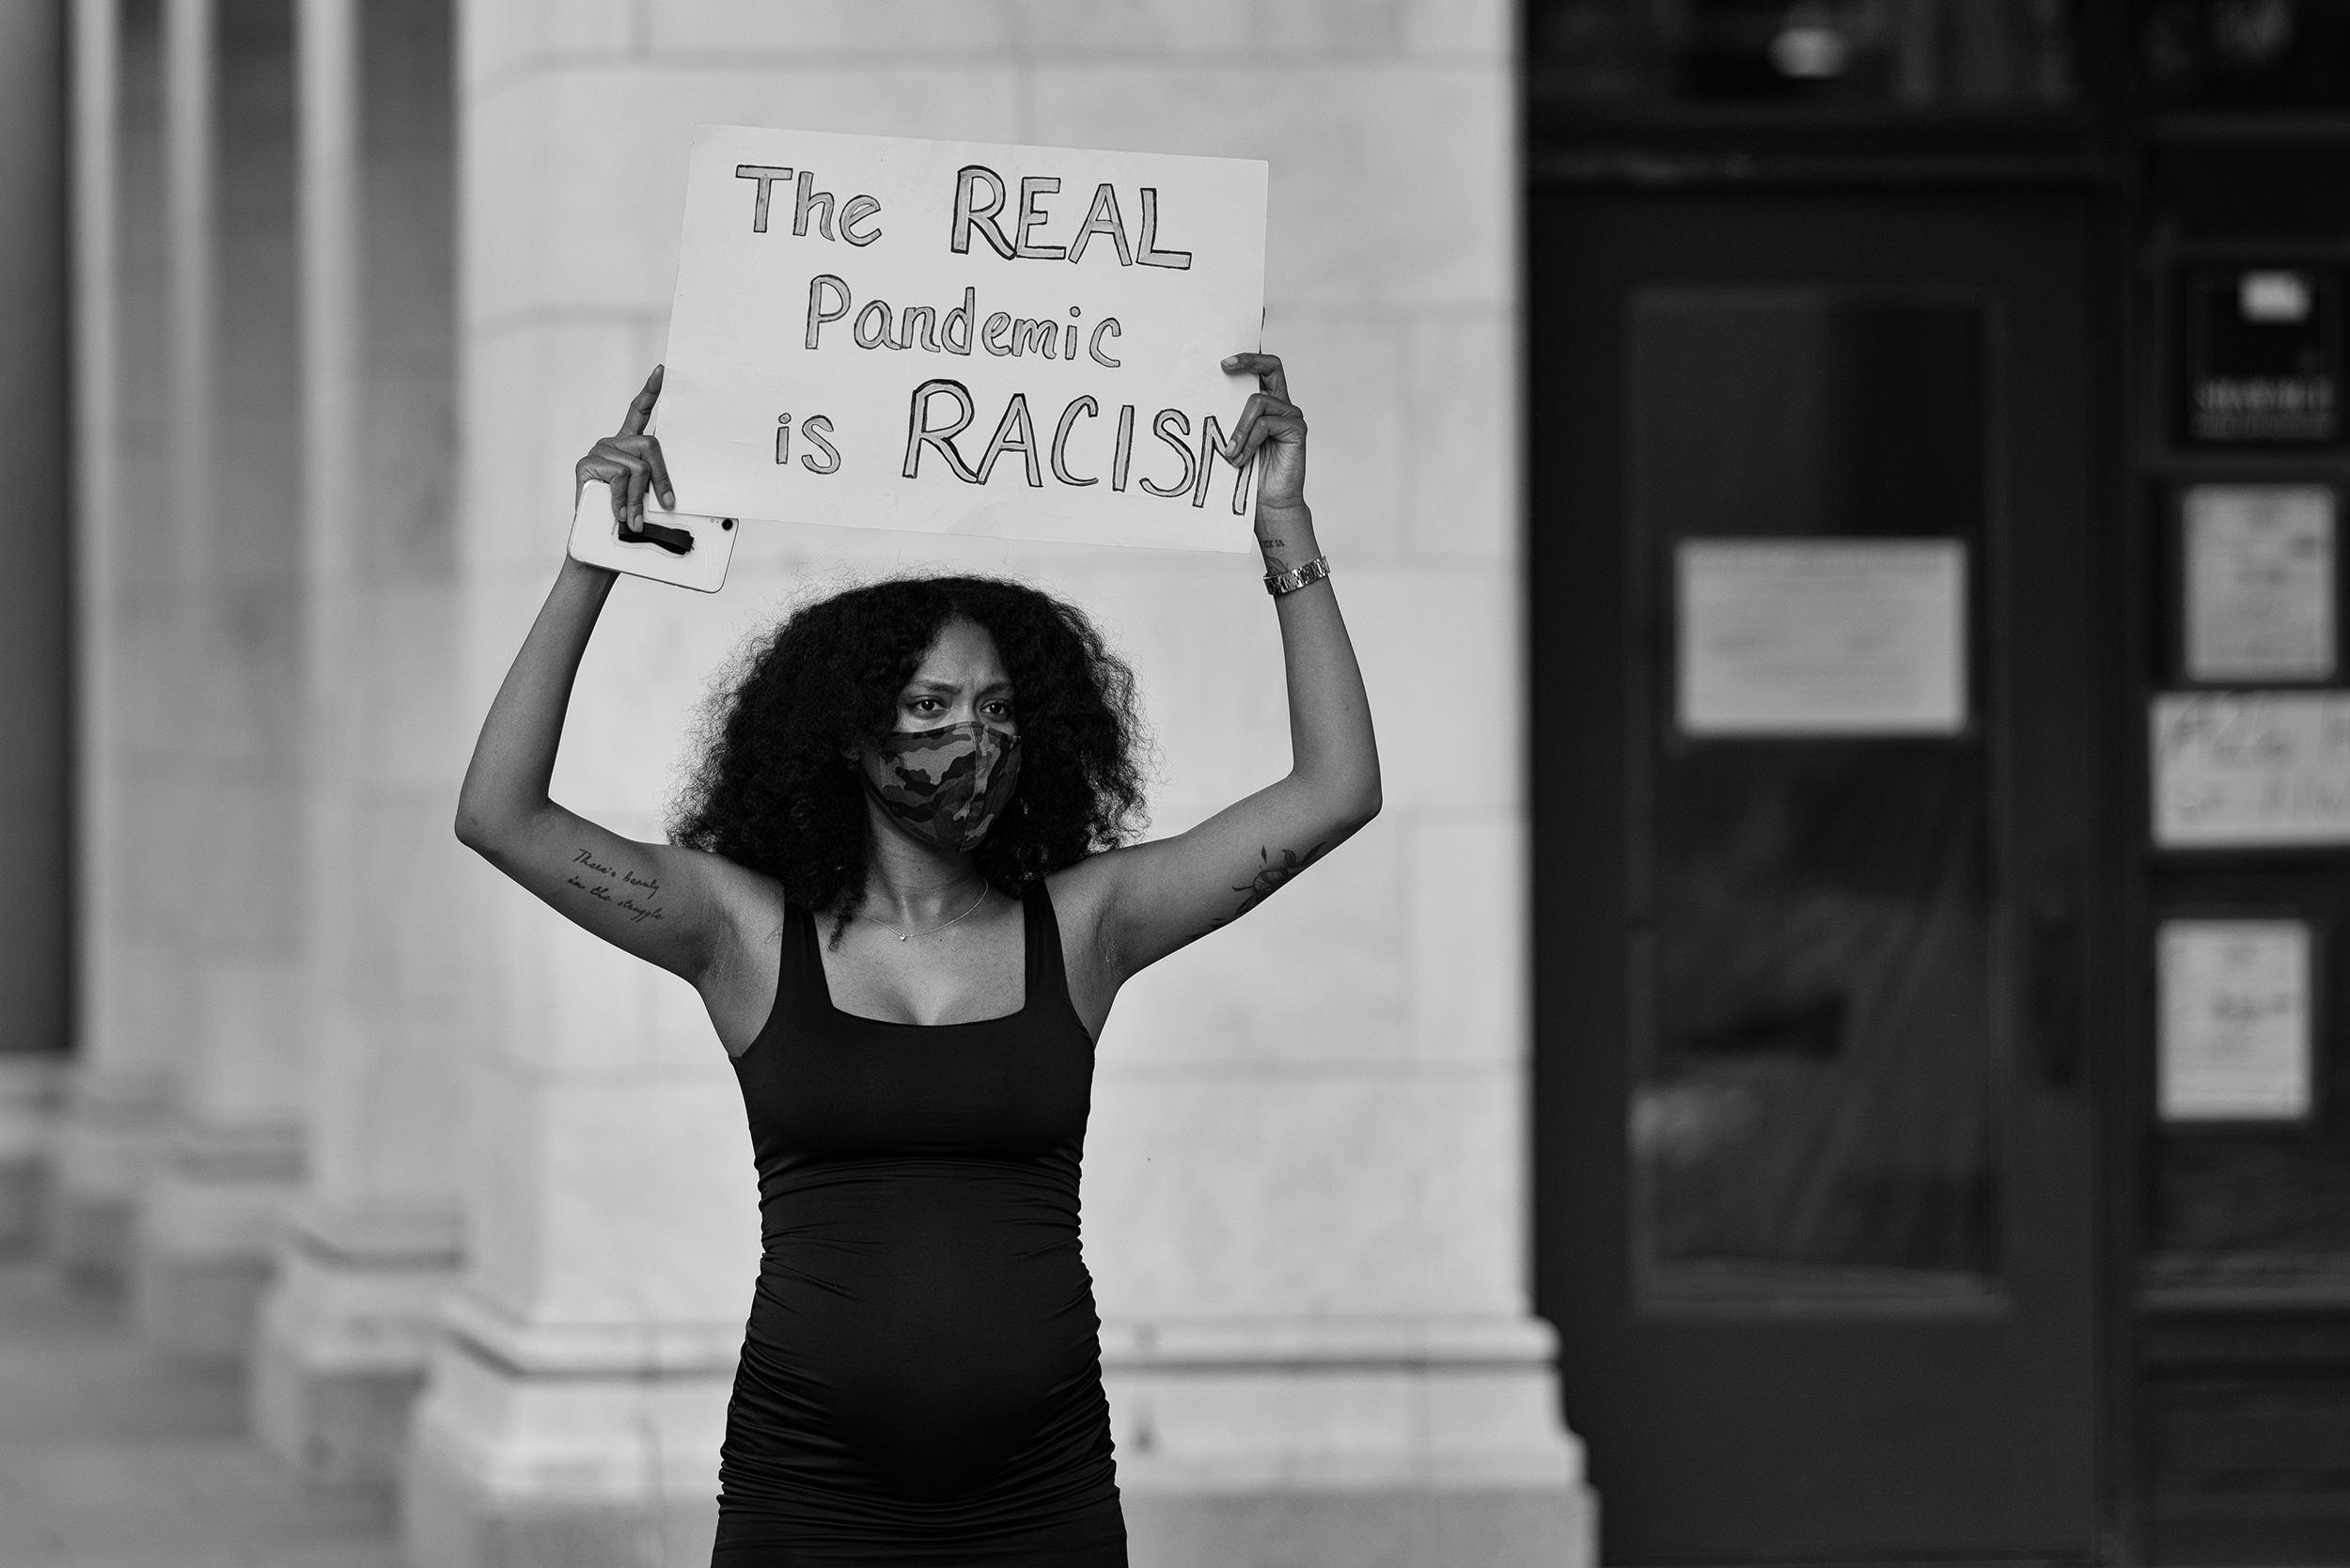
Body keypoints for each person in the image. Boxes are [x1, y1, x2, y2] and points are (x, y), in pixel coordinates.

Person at [454, 353, 1380, 1566]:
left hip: (1043, 1492)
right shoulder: (743, 932)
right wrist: (595, 559)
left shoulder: (1088, 925)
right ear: (848, 733)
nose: (972, 740)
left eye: (997, 711)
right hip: (810, 1491)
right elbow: (500, 816)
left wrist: (1286, 530)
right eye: (931, 708)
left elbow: (1336, 790)